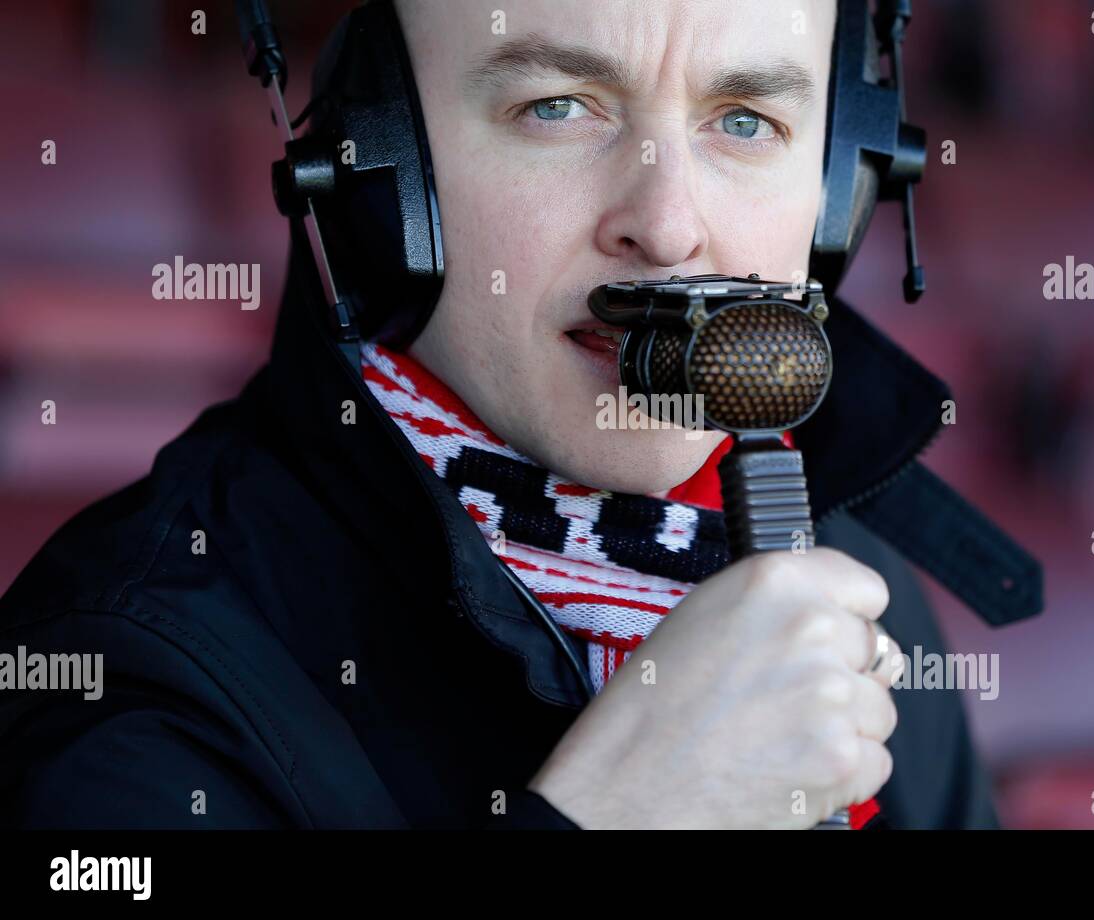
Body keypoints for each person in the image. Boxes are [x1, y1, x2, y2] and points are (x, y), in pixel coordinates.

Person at [0, 0, 1001, 829]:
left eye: (744, 121)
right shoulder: (126, 682)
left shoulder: (846, 578)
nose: (667, 228)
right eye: (556, 106)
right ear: (379, 170)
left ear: (842, 189)